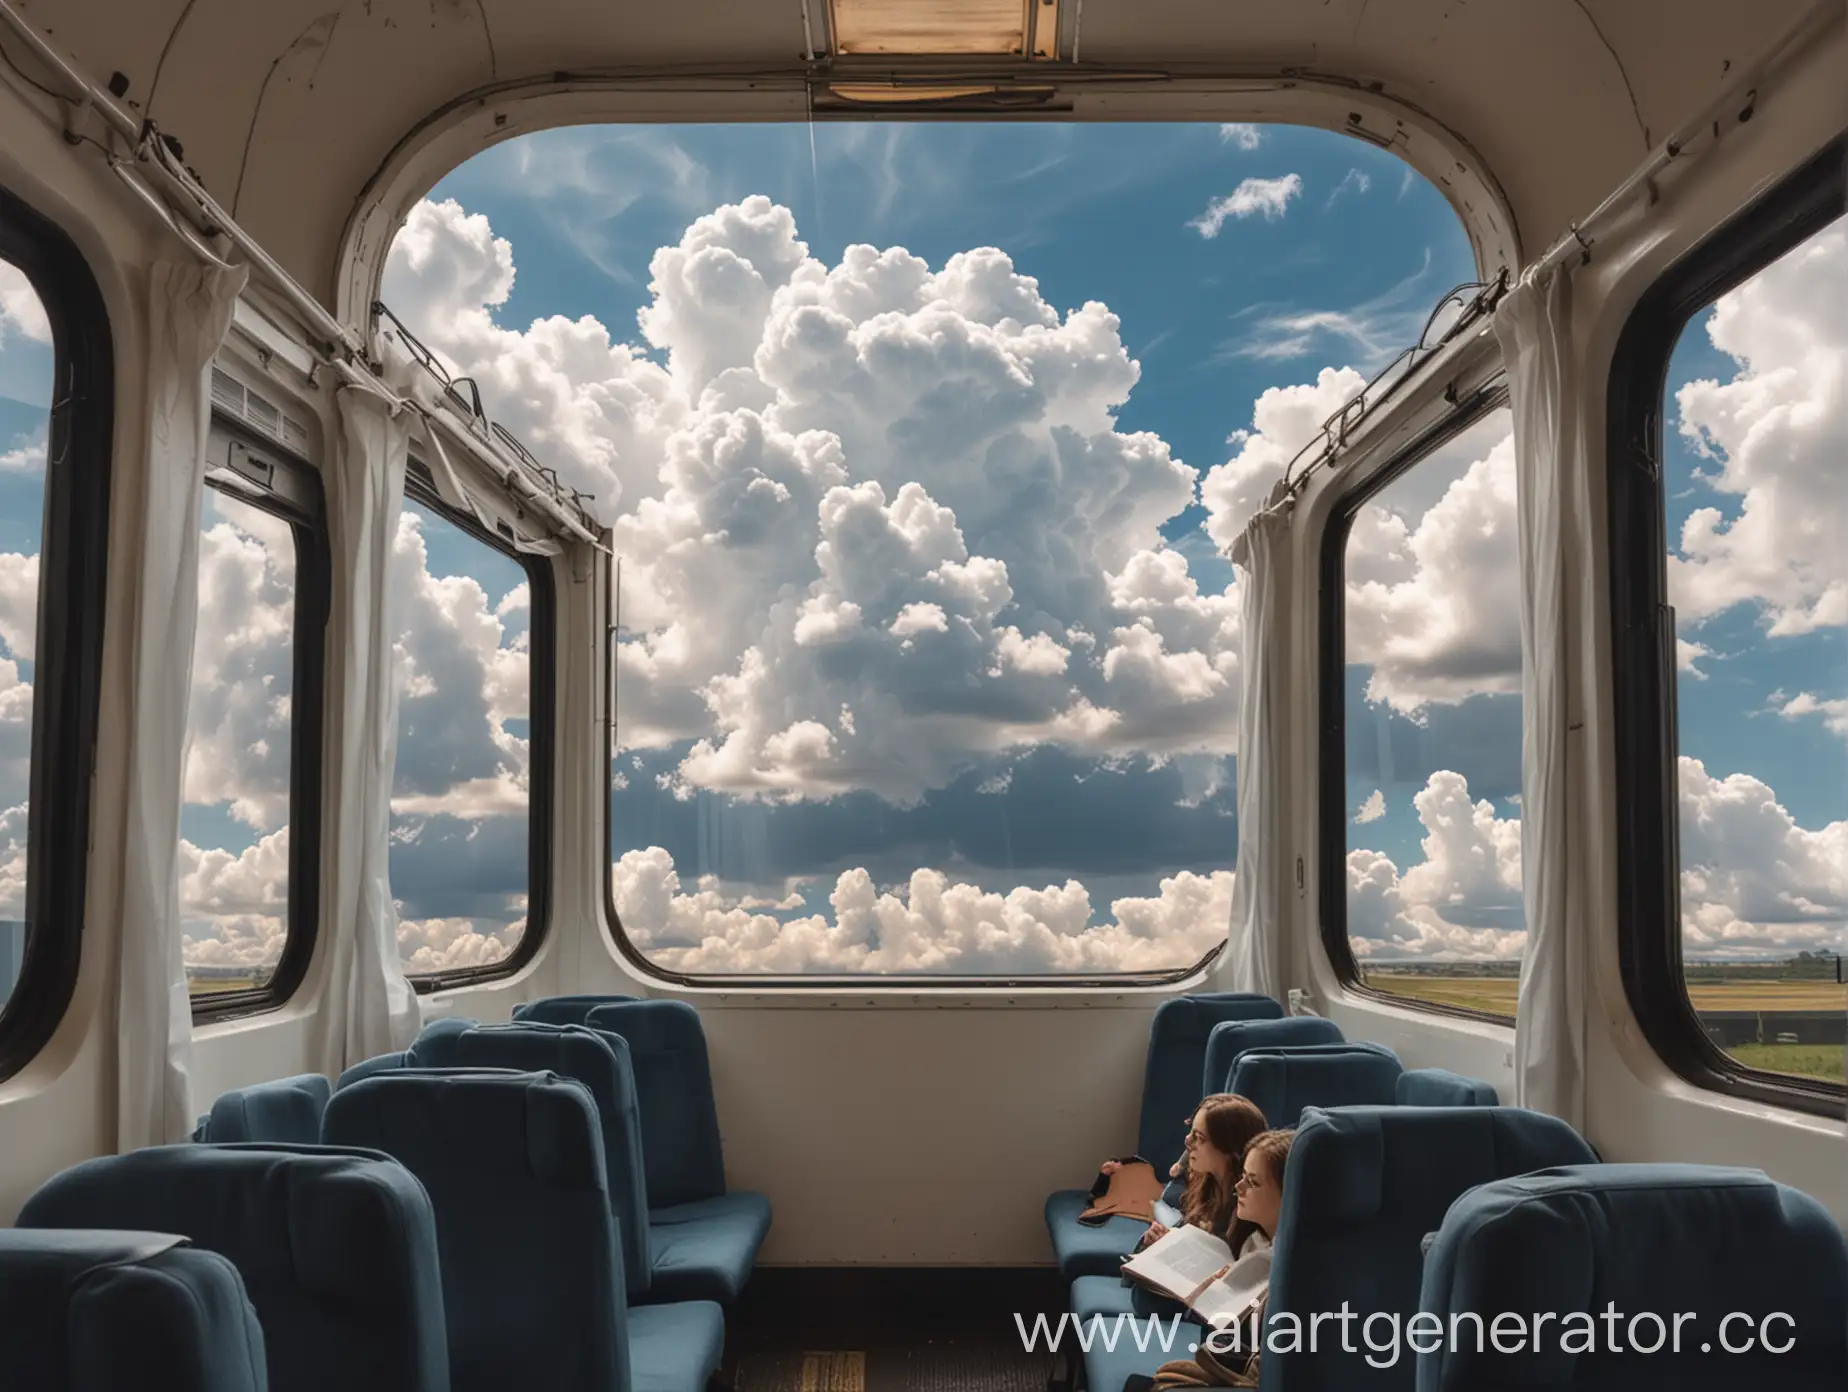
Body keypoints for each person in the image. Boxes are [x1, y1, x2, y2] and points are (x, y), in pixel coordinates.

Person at [1138, 1128, 1296, 1390]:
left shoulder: (1287, 1270)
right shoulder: (1254, 1243)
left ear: (1290, 1195)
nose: (1238, 1187)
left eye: (1253, 1182)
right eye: (1243, 1176)